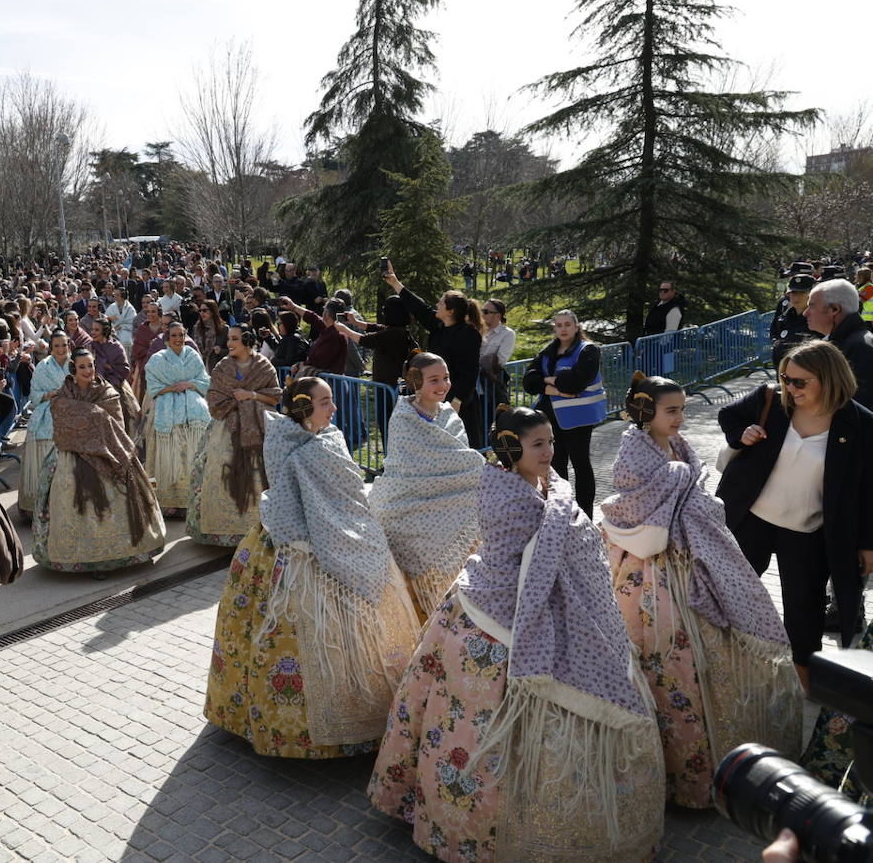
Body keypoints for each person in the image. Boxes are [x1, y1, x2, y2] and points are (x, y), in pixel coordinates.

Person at [367, 406, 665, 860]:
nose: (549, 451)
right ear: (510, 449)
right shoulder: (505, 496)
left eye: (550, 441)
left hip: (566, 608)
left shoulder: (551, 487)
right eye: (538, 444)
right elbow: (523, 563)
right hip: (500, 612)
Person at [601, 373, 803, 807]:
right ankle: (668, 766)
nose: (680, 417)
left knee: (699, 654)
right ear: (645, 412)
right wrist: (679, 493)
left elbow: (691, 490)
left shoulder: (681, 446)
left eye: (683, 409)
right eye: (671, 410)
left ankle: (708, 761)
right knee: (662, 653)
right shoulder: (634, 452)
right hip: (652, 567)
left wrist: (688, 498)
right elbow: (631, 503)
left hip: (691, 558)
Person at [203, 376, 419, 757]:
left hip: (348, 535)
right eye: (325, 403)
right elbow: (286, 501)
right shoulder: (286, 443)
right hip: (297, 547)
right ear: (303, 407)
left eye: (331, 401)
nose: (333, 409)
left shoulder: (330, 438)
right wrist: (308, 545)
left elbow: (348, 492)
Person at [716, 340, 873, 688]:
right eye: (786, 378)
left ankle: (804, 686)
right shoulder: (771, 400)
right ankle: (722, 672)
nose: (790, 387)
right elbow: (728, 415)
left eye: (800, 382)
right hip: (750, 517)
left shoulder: (860, 425)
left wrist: (867, 545)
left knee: (804, 613)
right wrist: (741, 434)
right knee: (729, 594)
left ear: (829, 379)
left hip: (807, 531)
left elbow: (868, 492)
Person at [368, 354, 482, 622]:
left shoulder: (450, 415)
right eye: (434, 380)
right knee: (410, 534)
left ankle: (464, 610)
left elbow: (460, 462)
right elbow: (410, 466)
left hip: (450, 497)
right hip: (407, 496)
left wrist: (478, 472)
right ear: (416, 381)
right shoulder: (404, 418)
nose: (443, 385)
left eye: (446, 378)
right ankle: (429, 613)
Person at [31, 348, 165, 574]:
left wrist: (87, 420)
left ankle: (119, 554)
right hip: (70, 454)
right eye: (82, 366)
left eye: (90, 365)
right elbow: (62, 419)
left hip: (108, 454)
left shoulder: (107, 392)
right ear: (74, 369)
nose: (88, 370)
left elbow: (115, 428)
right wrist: (94, 417)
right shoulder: (63, 394)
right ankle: (83, 558)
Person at [186, 326, 280, 547]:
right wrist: (235, 404)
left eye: (235, 339)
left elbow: (275, 397)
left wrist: (251, 395)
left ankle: (260, 530)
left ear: (247, 341)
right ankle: (223, 532)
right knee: (218, 469)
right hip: (227, 427)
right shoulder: (223, 367)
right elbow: (214, 399)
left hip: (259, 428)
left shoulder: (264, 366)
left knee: (261, 475)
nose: (230, 343)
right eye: (229, 338)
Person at [384, 269, 485, 449]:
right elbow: (419, 306)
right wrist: (395, 283)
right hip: (434, 397)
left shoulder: (469, 335)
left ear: (450, 311)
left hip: (458, 401)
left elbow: (470, 372)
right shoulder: (438, 325)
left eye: (441, 303)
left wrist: (458, 400)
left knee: (462, 446)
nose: (437, 305)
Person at [521, 309, 604, 515]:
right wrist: (552, 386)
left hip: (577, 419)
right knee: (556, 468)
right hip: (550, 420)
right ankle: (561, 513)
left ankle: (585, 515)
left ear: (576, 327)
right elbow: (529, 382)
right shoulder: (548, 351)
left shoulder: (588, 350)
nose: (563, 329)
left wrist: (548, 380)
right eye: (559, 325)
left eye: (567, 325)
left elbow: (576, 382)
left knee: (580, 464)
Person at [143, 322, 211, 517]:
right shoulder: (157, 360)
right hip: (165, 411)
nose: (178, 339)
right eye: (174, 335)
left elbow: (205, 380)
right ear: (167, 338)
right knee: (167, 457)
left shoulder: (192, 356)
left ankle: (191, 500)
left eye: (181, 335)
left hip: (193, 414)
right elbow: (153, 386)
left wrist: (188, 384)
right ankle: (168, 503)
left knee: (191, 456)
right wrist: (171, 389)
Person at [18, 331, 72, 518]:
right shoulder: (42, 366)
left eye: (64, 345)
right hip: (47, 411)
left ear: (69, 345)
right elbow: (33, 394)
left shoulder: (75, 364)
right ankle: (41, 503)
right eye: (56, 345)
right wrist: (50, 394)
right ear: (51, 347)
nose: (60, 349)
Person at [805, 278, 873, 409]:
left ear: (834, 309)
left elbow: (859, 411)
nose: (805, 313)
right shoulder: (847, 343)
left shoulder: (860, 349)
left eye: (811, 306)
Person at [479, 299, 516, 414]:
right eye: (481, 310)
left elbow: (501, 360)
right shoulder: (477, 330)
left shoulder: (508, 334)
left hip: (491, 385)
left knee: (490, 419)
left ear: (497, 315)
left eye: (485, 311)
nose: (481, 314)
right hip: (474, 384)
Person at [771, 273, 814, 366]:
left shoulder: (818, 319)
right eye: (793, 292)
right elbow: (774, 333)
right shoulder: (784, 317)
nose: (797, 297)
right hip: (783, 373)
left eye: (802, 292)